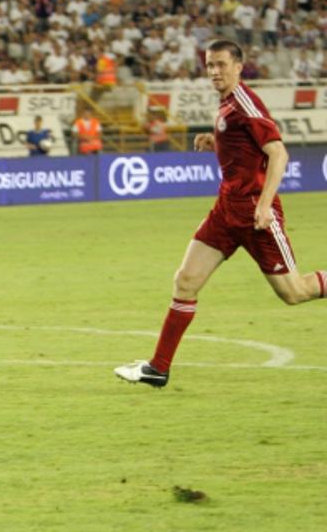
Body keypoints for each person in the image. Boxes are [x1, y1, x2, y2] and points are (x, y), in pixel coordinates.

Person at [115, 40, 327, 388]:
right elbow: (245, 144)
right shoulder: (227, 104)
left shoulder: (244, 102)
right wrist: (214, 141)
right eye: (210, 65)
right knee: (185, 281)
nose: (214, 71)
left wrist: (263, 205)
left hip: (256, 215)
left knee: (295, 292)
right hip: (226, 211)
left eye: (221, 65)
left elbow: (278, 154)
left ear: (239, 66)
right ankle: (158, 368)